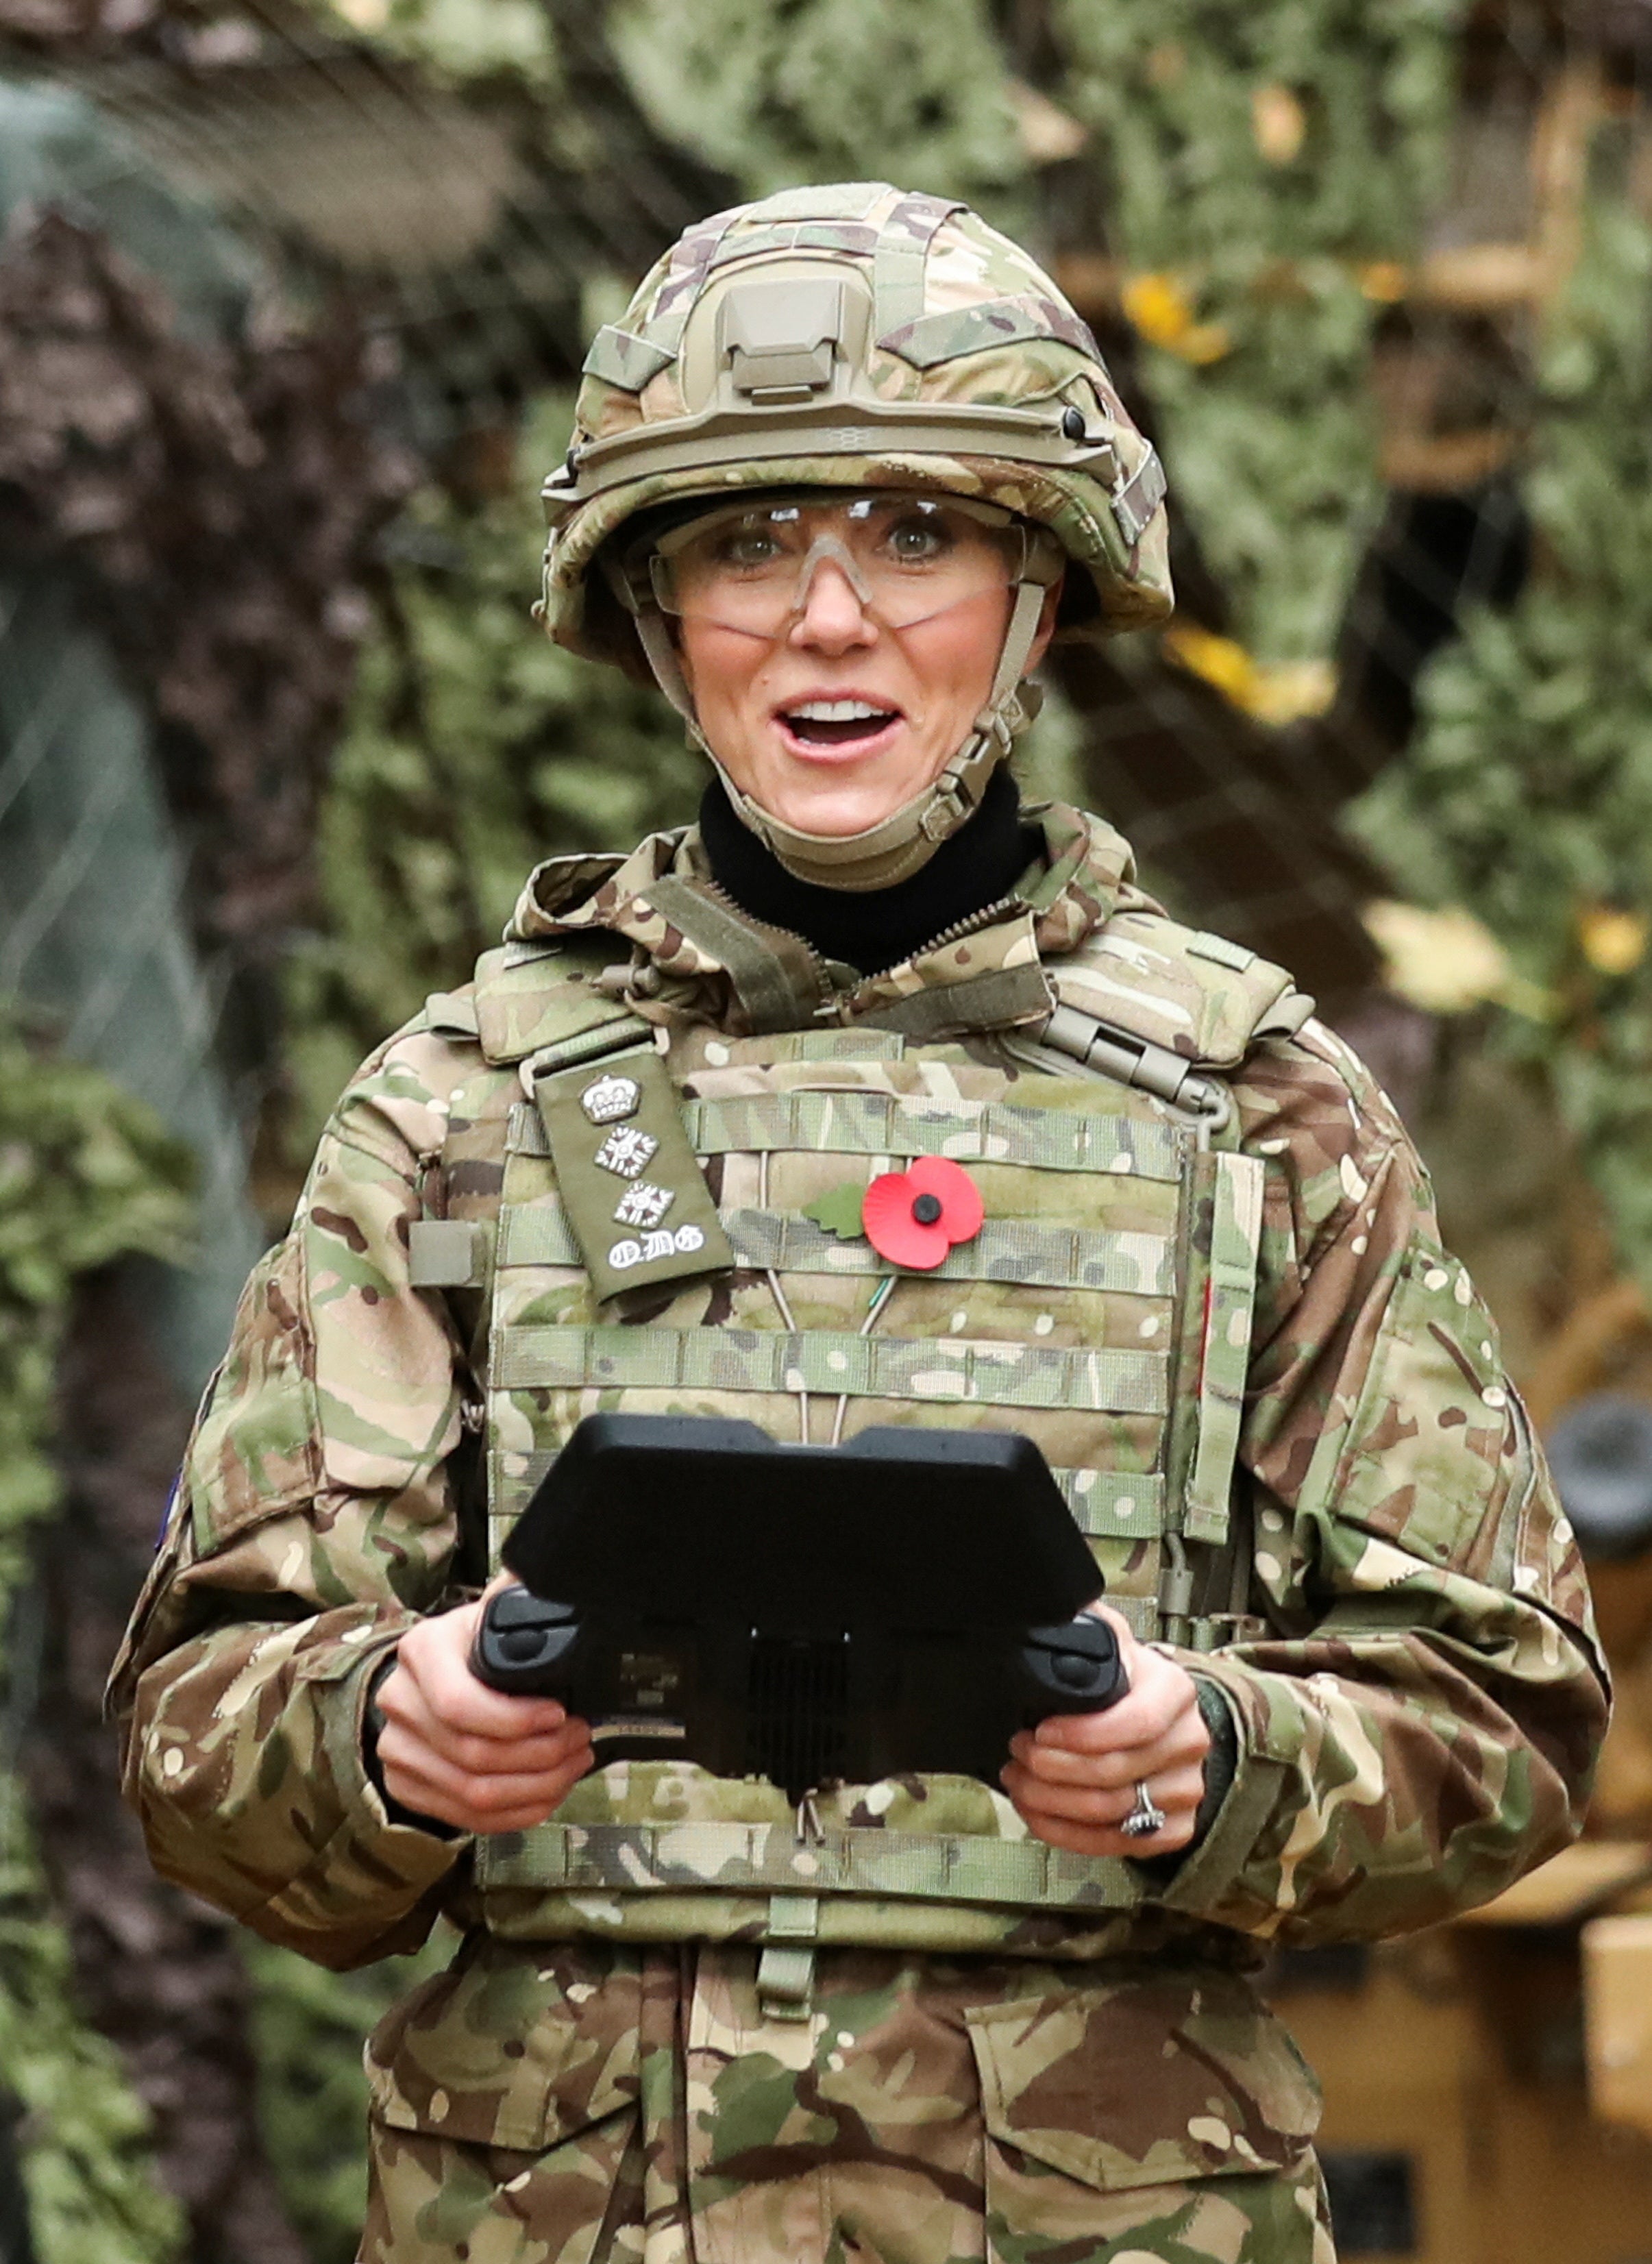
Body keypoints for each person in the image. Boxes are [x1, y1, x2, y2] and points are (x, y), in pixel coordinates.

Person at [110, 183, 1607, 2264]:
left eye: (915, 535)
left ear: (1041, 590)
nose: (827, 619)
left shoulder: (1257, 1113)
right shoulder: (462, 1107)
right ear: (655, 610)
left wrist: (1215, 1753)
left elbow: (1500, 1717)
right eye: (745, 540)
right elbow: (202, 1737)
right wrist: (391, 1727)